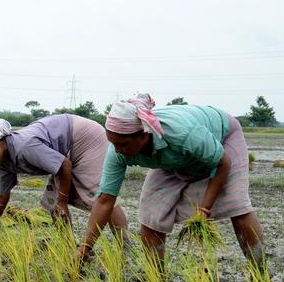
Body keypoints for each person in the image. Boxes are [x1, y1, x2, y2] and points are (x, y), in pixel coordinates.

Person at [76, 93, 265, 269]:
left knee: (236, 204)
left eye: (122, 145)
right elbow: (105, 200)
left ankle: (260, 276)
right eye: (113, 144)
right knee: (151, 215)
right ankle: (157, 280)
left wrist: (203, 210)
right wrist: (85, 247)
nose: (117, 150)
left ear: (143, 135)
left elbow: (223, 163)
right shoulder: (118, 152)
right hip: (174, 158)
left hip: (222, 138)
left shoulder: (182, 133)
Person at [0, 116, 128, 233]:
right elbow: (1, 196)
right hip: (66, 151)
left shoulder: (26, 147)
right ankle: (67, 249)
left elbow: (64, 165)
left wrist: (63, 201)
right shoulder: (4, 162)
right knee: (53, 203)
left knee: (100, 195)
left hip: (86, 139)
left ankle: (125, 249)